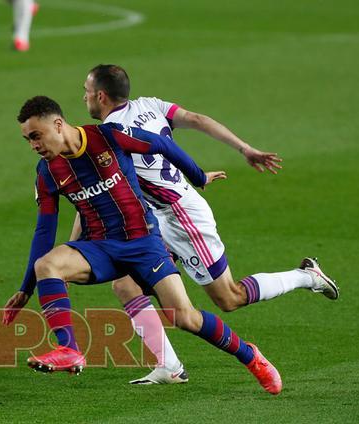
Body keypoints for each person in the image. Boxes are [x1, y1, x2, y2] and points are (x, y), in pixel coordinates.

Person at [2, 95, 283, 395]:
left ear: (57, 125)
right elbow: (44, 231)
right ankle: (68, 349)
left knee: (185, 317)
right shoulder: (47, 173)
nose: (33, 145)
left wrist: (197, 176)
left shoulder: (107, 137)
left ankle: (250, 356)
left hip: (143, 242)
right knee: (47, 265)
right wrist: (26, 288)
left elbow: (161, 145)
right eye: (27, 140)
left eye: (36, 136)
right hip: (101, 247)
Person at [78, 64, 339, 384]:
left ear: (101, 96)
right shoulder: (150, 105)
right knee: (125, 285)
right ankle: (169, 367)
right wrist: (244, 149)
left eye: (87, 92)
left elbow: (99, 191)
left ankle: (305, 276)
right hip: (154, 216)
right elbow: (197, 120)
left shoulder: (109, 137)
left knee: (229, 297)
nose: (84, 98)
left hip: (181, 216)